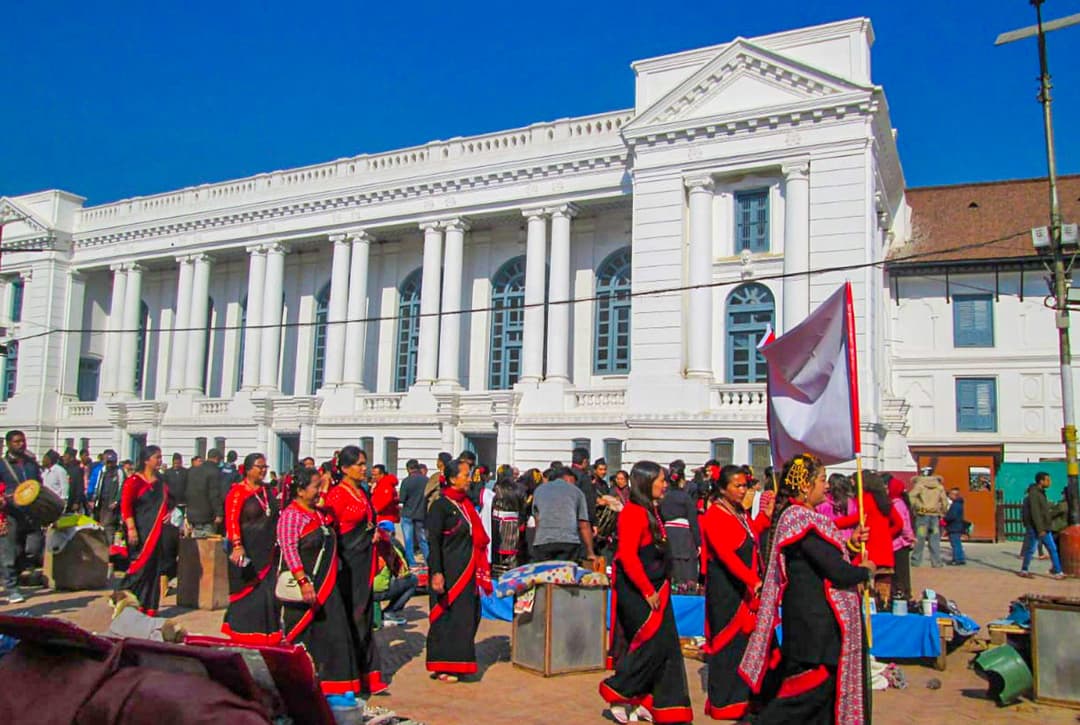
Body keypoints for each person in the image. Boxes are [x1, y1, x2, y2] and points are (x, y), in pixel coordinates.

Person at [740, 454, 873, 725]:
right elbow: (834, 570)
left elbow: (818, 560)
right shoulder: (801, 520)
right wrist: (866, 570)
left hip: (812, 626)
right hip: (814, 628)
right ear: (805, 485)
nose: (826, 486)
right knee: (802, 697)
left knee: (819, 703)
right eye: (822, 480)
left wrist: (850, 546)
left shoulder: (802, 519)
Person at [600, 461, 692, 724]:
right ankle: (619, 692)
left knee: (666, 648)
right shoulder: (633, 513)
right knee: (649, 646)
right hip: (639, 592)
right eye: (660, 480)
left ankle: (651, 701)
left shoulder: (652, 511)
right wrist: (647, 590)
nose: (665, 485)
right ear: (645, 482)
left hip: (657, 588)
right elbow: (628, 557)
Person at [278, 466, 363, 697]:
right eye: (315, 487)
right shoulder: (291, 516)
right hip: (307, 590)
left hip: (328, 587)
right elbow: (289, 550)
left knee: (333, 635)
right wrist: (303, 581)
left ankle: (334, 685)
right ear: (300, 490)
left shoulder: (317, 512)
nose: (319, 492)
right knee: (305, 637)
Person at [701, 464, 774, 720]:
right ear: (723, 489)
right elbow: (725, 554)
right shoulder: (713, 516)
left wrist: (765, 516)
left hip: (743, 589)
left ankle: (748, 697)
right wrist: (752, 581)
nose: (744, 490)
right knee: (728, 647)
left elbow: (750, 535)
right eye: (738, 486)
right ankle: (725, 702)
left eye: (745, 485)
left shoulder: (738, 512)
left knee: (747, 646)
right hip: (727, 593)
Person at [323, 446, 387, 696]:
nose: (365, 468)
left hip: (363, 563)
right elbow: (331, 531)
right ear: (345, 468)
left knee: (363, 616)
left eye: (365, 463)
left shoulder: (361, 492)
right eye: (359, 464)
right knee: (352, 616)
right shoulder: (338, 495)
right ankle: (347, 676)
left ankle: (366, 673)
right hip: (347, 565)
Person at [425, 458, 492, 682]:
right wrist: (436, 571)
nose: (469, 479)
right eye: (465, 475)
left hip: (467, 569)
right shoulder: (440, 506)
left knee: (468, 616)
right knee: (448, 618)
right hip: (449, 571)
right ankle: (446, 665)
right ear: (453, 478)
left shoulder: (465, 504)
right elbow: (433, 541)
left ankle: (459, 662)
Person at [221, 453, 282, 645]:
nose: (263, 470)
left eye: (265, 467)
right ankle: (243, 631)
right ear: (248, 469)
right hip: (247, 549)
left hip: (267, 551)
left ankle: (267, 632)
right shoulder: (238, 492)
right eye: (259, 467)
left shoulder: (266, 491)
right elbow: (231, 521)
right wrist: (237, 546)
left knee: (268, 593)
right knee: (248, 594)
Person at [116, 445, 170, 615]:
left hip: (156, 531)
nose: (160, 460)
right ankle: (123, 599)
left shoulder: (161, 481)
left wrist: (167, 514)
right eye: (157, 457)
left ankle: (148, 606)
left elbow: (169, 501)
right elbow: (126, 506)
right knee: (139, 567)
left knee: (153, 569)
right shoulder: (134, 481)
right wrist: (131, 528)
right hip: (139, 530)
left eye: (160, 457)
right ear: (146, 460)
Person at [0, 430, 42, 604]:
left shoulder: (31, 463)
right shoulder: (2, 464)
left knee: (33, 548)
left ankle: (14, 576)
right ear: (9, 444)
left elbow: (39, 483)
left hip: (31, 513)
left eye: (22, 441)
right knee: (9, 551)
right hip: (10, 512)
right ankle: (11, 588)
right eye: (16, 442)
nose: (21, 444)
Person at [531, 466, 597, 563]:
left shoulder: (539, 491)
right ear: (568, 478)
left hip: (543, 542)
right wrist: (590, 552)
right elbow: (584, 525)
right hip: (569, 542)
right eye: (574, 481)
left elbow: (537, 520)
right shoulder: (577, 492)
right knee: (565, 575)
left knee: (545, 575)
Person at [659, 459, 699, 587]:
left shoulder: (663, 496)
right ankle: (686, 587)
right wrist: (699, 542)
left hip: (668, 531)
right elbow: (693, 520)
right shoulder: (686, 497)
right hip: (684, 533)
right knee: (686, 563)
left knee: (672, 561)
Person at [1019, 472, 1066, 579]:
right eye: (1047, 480)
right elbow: (1035, 512)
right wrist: (1040, 529)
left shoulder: (1040, 493)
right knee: (1032, 548)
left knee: (1051, 548)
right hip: (1038, 527)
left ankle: (1058, 571)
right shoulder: (1034, 494)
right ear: (1041, 481)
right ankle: (1024, 570)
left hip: (1044, 527)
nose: (1049, 482)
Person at [373, 520, 417, 626]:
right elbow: (403, 570)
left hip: (362, 590)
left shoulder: (365, 542)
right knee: (413, 580)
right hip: (379, 589)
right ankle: (390, 611)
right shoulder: (390, 544)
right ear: (391, 532)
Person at [909, 467, 948, 568]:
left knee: (920, 538)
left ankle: (916, 561)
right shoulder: (939, 486)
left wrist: (914, 507)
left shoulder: (919, 485)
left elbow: (911, 497)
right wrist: (942, 511)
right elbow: (944, 501)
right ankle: (936, 562)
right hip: (934, 516)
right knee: (934, 539)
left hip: (922, 515)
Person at [490, 467, 524, 576]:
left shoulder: (497, 489)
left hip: (497, 520)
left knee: (497, 549)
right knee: (511, 553)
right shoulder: (518, 489)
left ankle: (497, 574)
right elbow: (522, 507)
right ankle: (511, 575)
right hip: (512, 522)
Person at [398, 458, 430, 570]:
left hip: (408, 513)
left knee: (408, 540)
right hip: (421, 514)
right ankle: (428, 561)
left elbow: (401, 499)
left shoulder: (406, 481)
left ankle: (411, 563)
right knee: (423, 540)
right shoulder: (426, 480)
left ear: (408, 469)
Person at [186, 448, 225, 538]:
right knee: (207, 547)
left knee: (195, 545)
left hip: (192, 515)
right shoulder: (214, 472)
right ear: (216, 458)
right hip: (207, 516)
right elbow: (214, 494)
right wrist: (219, 513)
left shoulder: (192, 471)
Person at [888, 477, 915, 599]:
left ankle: (903, 595)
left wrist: (909, 537)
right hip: (900, 542)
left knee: (900, 573)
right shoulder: (900, 503)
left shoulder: (896, 504)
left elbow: (903, 524)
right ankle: (904, 593)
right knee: (902, 572)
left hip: (899, 543)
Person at [91, 450, 123, 544]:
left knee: (108, 526)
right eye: (107, 462)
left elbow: (122, 487)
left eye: (111, 462)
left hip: (111, 504)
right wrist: (94, 497)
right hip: (101, 502)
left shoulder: (119, 472)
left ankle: (109, 548)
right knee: (98, 525)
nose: (109, 465)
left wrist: (116, 501)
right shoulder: (102, 470)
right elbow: (98, 484)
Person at [944, 488, 967, 566]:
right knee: (957, 543)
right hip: (957, 526)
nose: (949, 496)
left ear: (954, 495)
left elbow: (952, 516)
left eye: (950, 494)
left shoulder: (955, 505)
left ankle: (957, 559)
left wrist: (945, 518)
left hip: (954, 527)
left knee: (955, 544)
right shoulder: (959, 504)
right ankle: (960, 558)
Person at [62, 448, 87, 514]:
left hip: (72, 499)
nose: (63, 458)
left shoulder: (77, 469)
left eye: (65, 456)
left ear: (71, 458)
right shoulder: (64, 468)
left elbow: (80, 487)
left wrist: (77, 502)